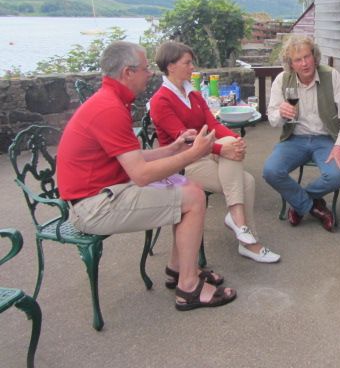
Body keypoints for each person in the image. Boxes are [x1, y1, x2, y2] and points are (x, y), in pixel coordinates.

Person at [57, 41, 237, 311]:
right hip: (93, 206)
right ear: (127, 72)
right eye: (144, 68)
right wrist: (193, 153)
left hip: (105, 190)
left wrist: (173, 148)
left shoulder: (110, 100)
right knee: (193, 198)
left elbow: (132, 157)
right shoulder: (109, 108)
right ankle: (189, 287)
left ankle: (178, 268)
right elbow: (141, 174)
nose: (150, 73)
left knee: (186, 185)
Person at [150, 41, 280, 263]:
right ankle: (247, 239)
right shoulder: (160, 101)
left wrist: (235, 140)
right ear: (171, 66)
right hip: (182, 163)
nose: (192, 67)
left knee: (230, 142)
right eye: (187, 63)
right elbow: (186, 140)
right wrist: (222, 148)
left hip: (204, 154)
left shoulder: (192, 93)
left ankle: (239, 225)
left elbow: (212, 124)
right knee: (246, 182)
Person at [262, 35, 340, 232]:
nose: (304, 63)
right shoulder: (283, 80)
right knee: (271, 171)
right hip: (294, 139)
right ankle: (314, 207)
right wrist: (281, 113)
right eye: (298, 60)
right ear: (291, 63)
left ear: (314, 56)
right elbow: (273, 119)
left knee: (336, 176)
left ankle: (300, 202)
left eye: (307, 56)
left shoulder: (332, 77)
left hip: (326, 139)